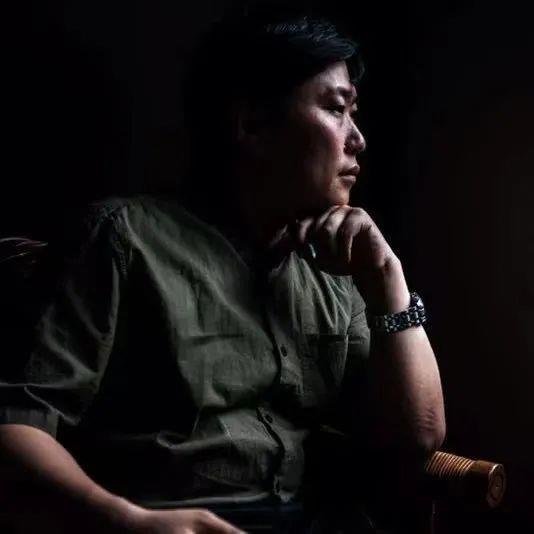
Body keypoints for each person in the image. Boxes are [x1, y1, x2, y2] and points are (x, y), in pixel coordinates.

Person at [0, 4, 446, 533]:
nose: (358, 139)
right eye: (335, 109)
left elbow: (418, 438)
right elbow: (17, 423)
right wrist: (128, 521)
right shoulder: (123, 240)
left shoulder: (338, 270)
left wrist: (389, 281)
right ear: (252, 125)